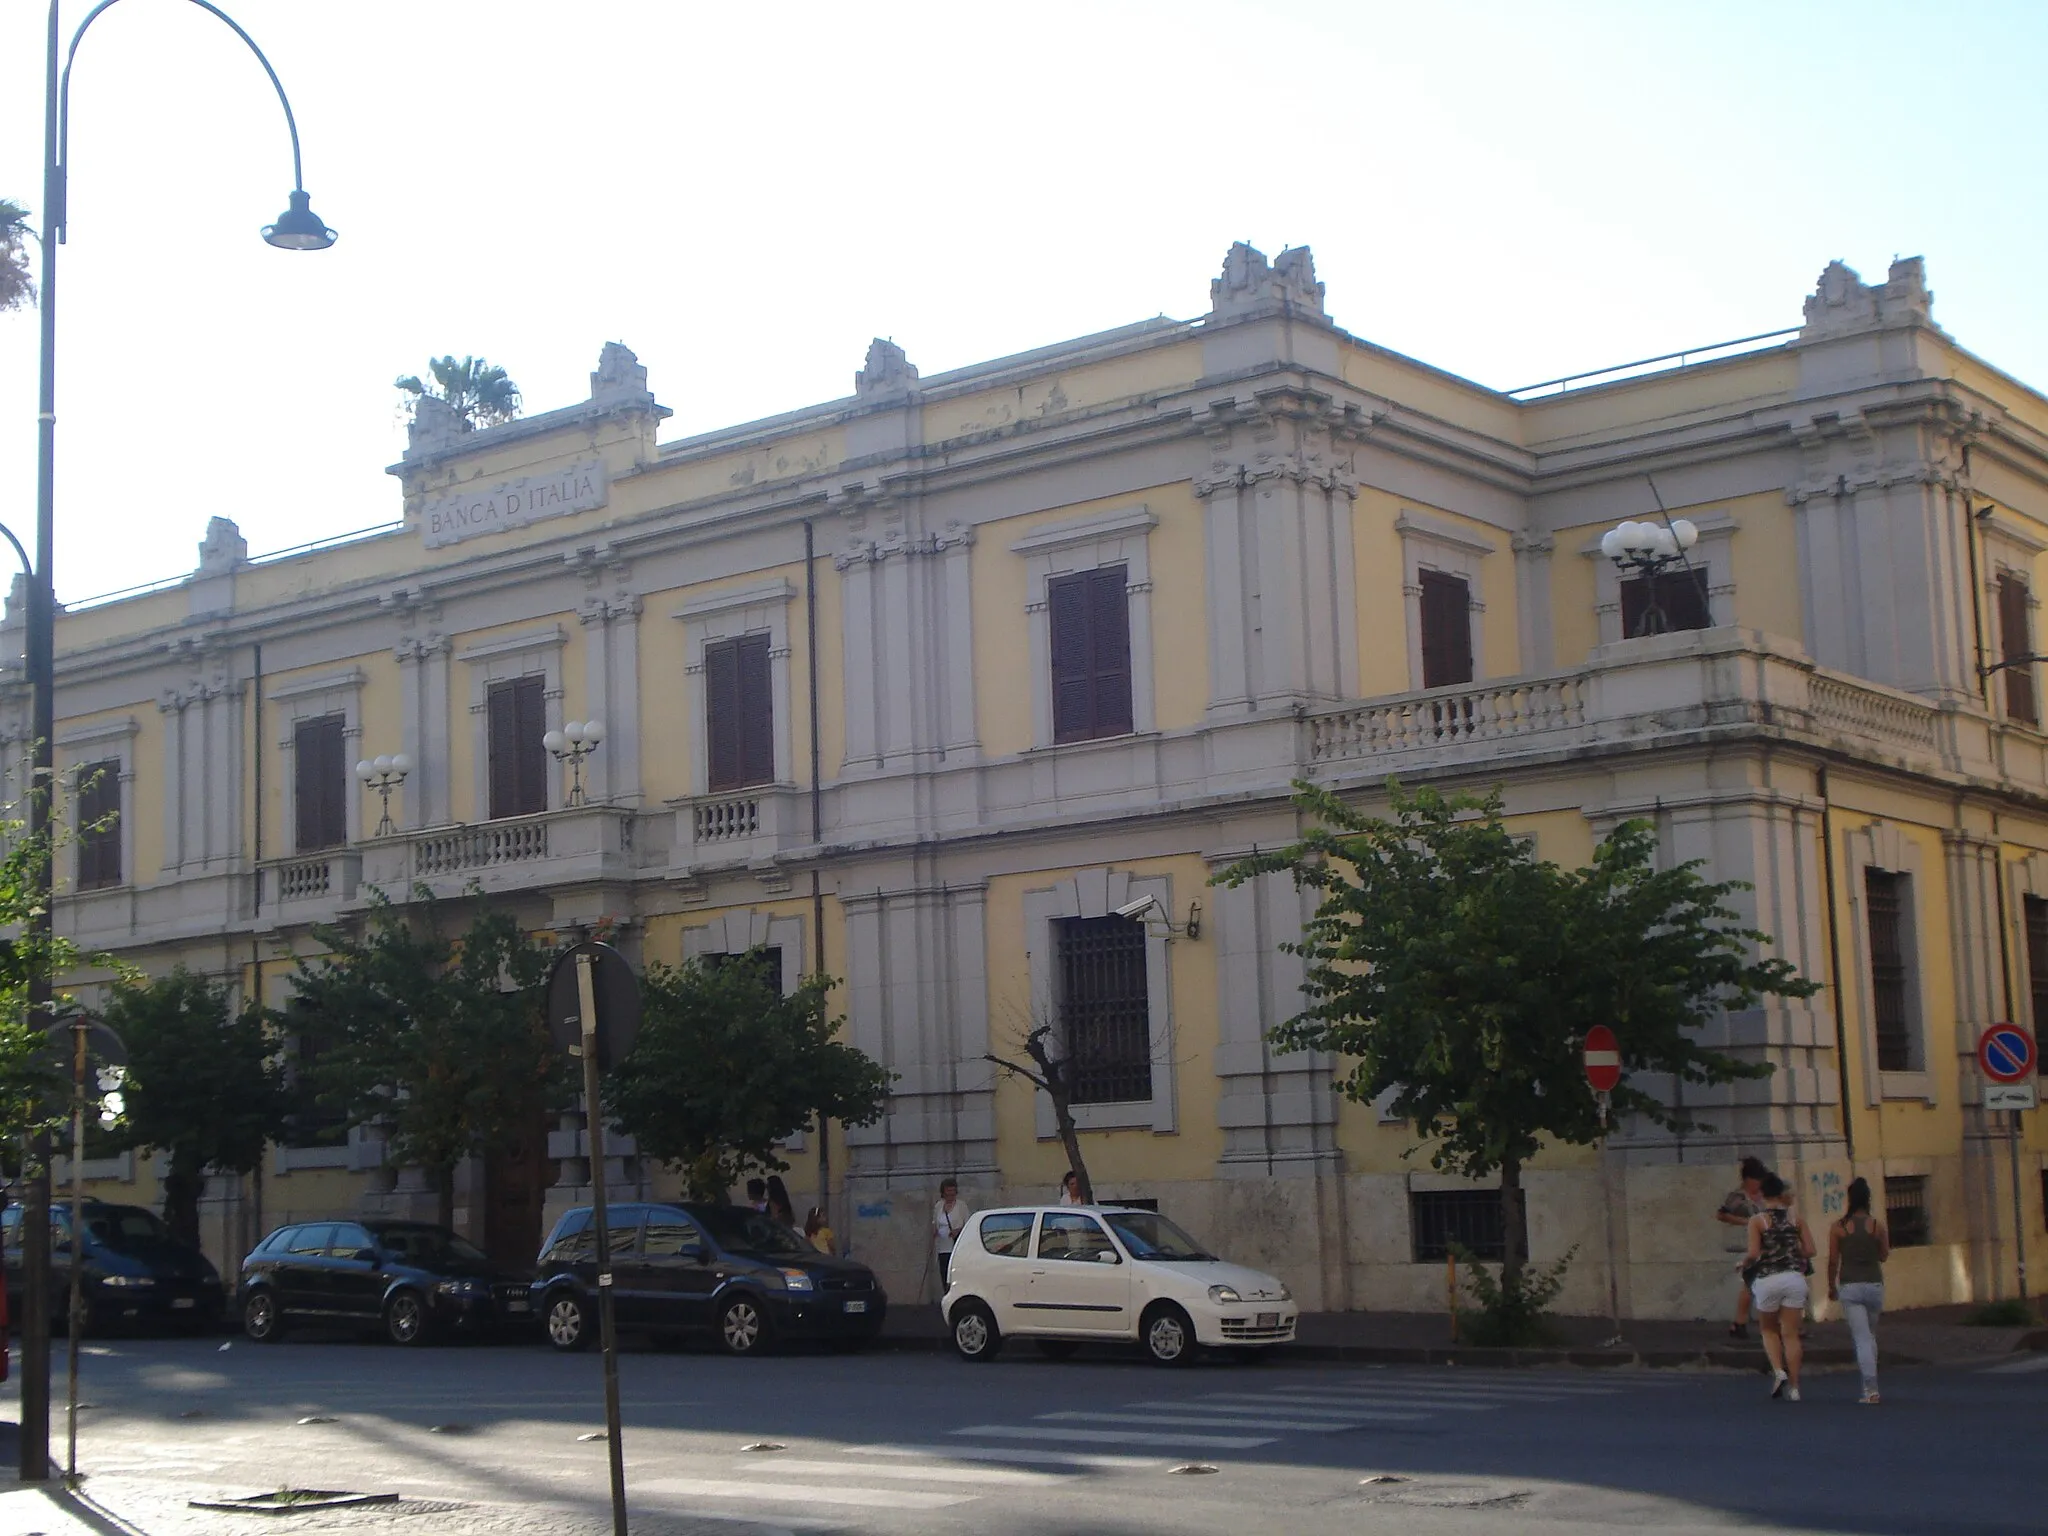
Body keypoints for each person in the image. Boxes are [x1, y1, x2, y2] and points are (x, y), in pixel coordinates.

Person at [1741, 1172, 1816, 1401]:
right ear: (1781, 1194)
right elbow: (1811, 1250)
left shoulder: (1758, 1221)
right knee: (1791, 1335)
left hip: (1768, 1279)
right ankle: (1794, 1388)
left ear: (1762, 1194)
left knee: (1768, 1330)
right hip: (1794, 1278)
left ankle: (1779, 1370)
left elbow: (1754, 1253)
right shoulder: (1796, 1219)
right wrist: (1792, 1253)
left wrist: (1742, 1264)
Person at [1828, 1176, 1890, 1404]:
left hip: (1850, 1285)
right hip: (1874, 1284)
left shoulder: (1838, 1228)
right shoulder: (1877, 1225)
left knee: (1861, 1338)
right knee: (1870, 1336)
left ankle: (1871, 1389)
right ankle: (1871, 1385)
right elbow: (1884, 1255)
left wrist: (1830, 1286)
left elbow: (1833, 1260)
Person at [1717, 1157, 1769, 1337]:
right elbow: (1722, 1215)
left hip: (1764, 1244)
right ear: (1747, 1179)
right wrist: (1746, 1222)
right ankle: (1740, 1322)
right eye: (1756, 1179)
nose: (1758, 1183)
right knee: (1751, 1282)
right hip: (1747, 1245)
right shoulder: (1738, 1197)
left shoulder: (1764, 1195)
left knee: (1755, 1283)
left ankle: (1740, 1323)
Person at [932, 1177, 970, 1294]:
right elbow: (935, 1222)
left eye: (953, 1190)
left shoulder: (961, 1205)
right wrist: (935, 1231)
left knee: (954, 1274)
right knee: (944, 1273)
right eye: (948, 1190)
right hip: (942, 1245)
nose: (951, 1193)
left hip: (955, 1245)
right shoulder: (939, 1205)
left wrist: (957, 1231)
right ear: (943, 1192)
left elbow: (968, 1224)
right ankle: (946, 1295)